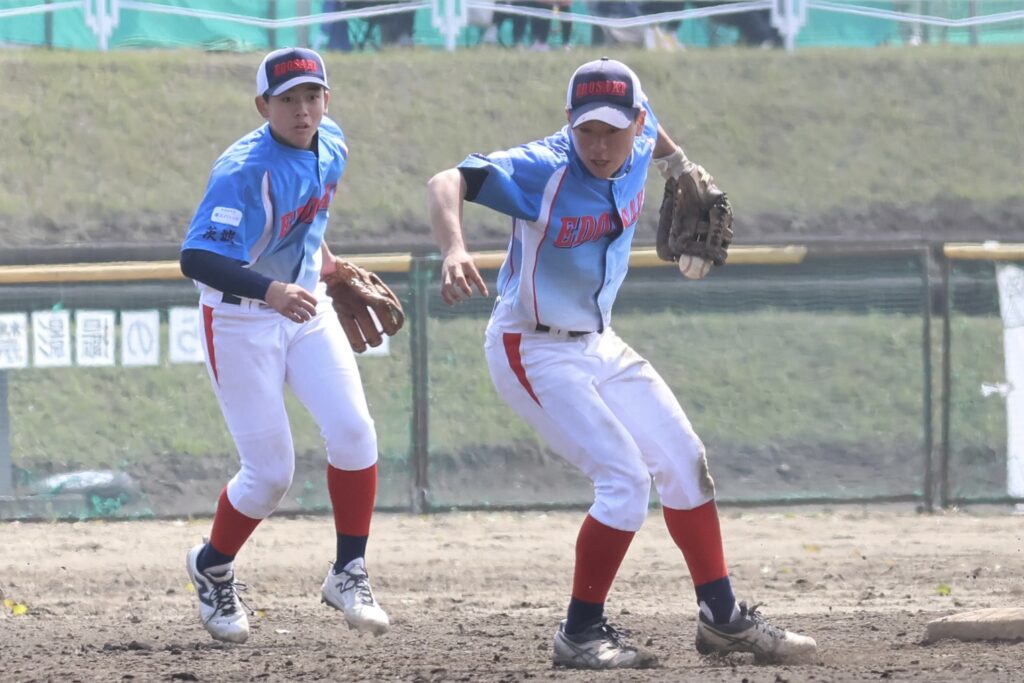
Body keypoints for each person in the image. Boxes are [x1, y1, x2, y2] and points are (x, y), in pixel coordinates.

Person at [426, 57, 818, 669]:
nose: (599, 145)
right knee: (625, 481)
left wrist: (676, 163)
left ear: (635, 123)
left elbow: (655, 129)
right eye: (586, 129)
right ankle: (579, 633)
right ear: (568, 121)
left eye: (613, 130)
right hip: (531, 346)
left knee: (684, 460)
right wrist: (454, 247)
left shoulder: (641, 135)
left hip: (599, 341)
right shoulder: (543, 167)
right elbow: (445, 180)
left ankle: (721, 619)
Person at [179, 47, 390, 644]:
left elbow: (306, 219)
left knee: (354, 432)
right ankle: (211, 566)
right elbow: (196, 258)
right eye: (288, 99)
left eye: (313, 96)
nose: (303, 110)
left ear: (328, 99)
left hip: (303, 306)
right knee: (271, 474)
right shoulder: (243, 171)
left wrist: (330, 268)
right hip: (240, 318)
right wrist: (271, 290)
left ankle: (348, 571)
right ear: (262, 106)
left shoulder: (332, 141)